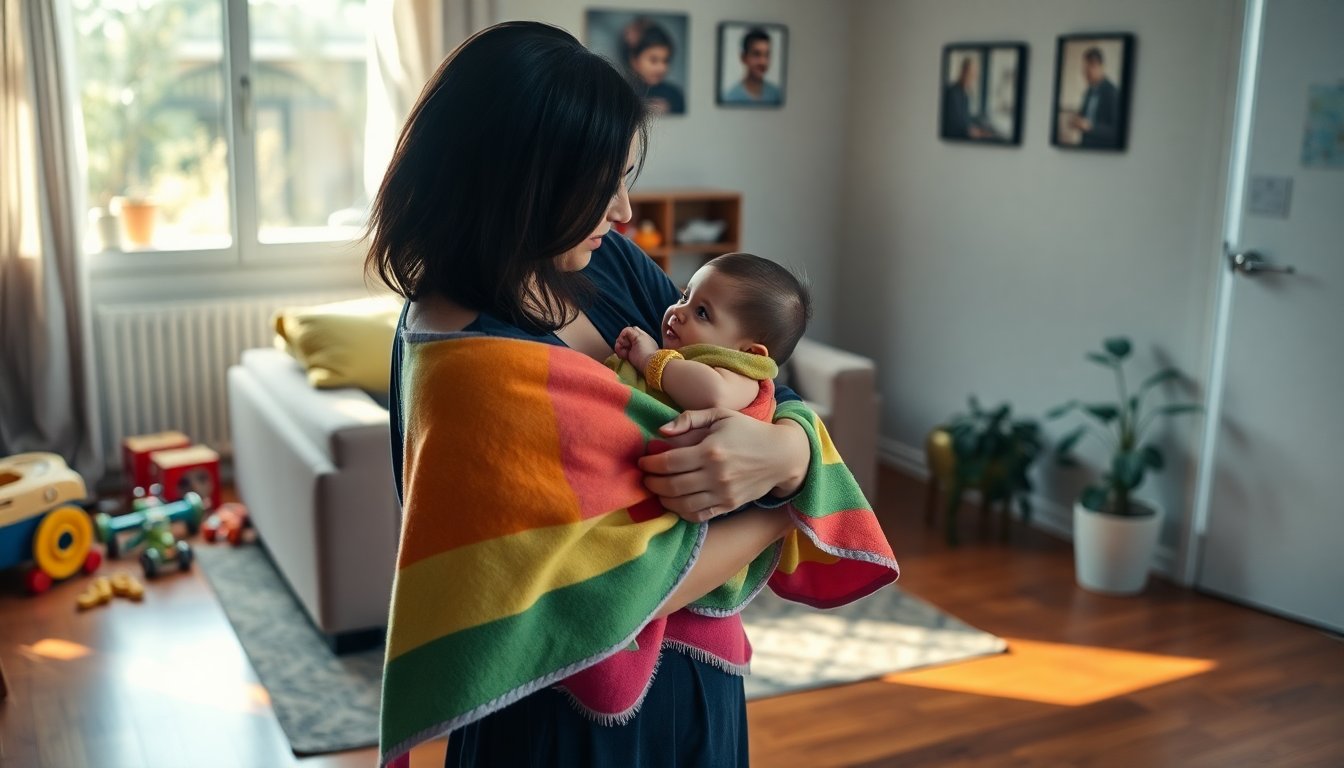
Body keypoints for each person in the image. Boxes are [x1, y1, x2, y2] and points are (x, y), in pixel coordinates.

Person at [366, 21, 895, 768]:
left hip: (697, 695)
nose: (623, 214)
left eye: (622, 179)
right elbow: (588, 595)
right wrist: (787, 504)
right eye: (597, 186)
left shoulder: (605, 264)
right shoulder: (464, 361)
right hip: (556, 729)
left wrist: (788, 446)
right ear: (520, 180)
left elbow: (766, 379)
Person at [610, 253, 810, 417]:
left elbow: (715, 395)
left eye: (702, 313)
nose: (679, 311)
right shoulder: (693, 355)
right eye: (684, 297)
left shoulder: (744, 380)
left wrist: (648, 359)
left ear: (749, 352)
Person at [622, 17, 685, 115]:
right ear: (634, 60)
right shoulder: (621, 92)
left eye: (666, 61)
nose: (662, 68)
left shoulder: (675, 95)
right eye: (653, 60)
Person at [1068, 46, 1119, 147]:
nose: (1086, 73)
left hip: (1103, 150)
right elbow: (1083, 116)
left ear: (1101, 67)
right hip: (1085, 147)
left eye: (1090, 67)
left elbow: (1116, 130)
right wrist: (1076, 121)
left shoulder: (1112, 92)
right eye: (1084, 69)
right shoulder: (1088, 92)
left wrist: (1090, 127)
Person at [722, 28, 782, 105]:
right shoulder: (730, 97)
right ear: (743, 58)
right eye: (756, 54)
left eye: (767, 55)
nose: (763, 62)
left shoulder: (776, 94)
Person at [942, 55, 995, 139]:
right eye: (971, 73)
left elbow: (967, 117)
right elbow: (955, 121)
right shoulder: (952, 92)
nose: (973, 77)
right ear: (963, 71)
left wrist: (982, 128)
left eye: (975, 74)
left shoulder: (966, 93)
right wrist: (970, 130)